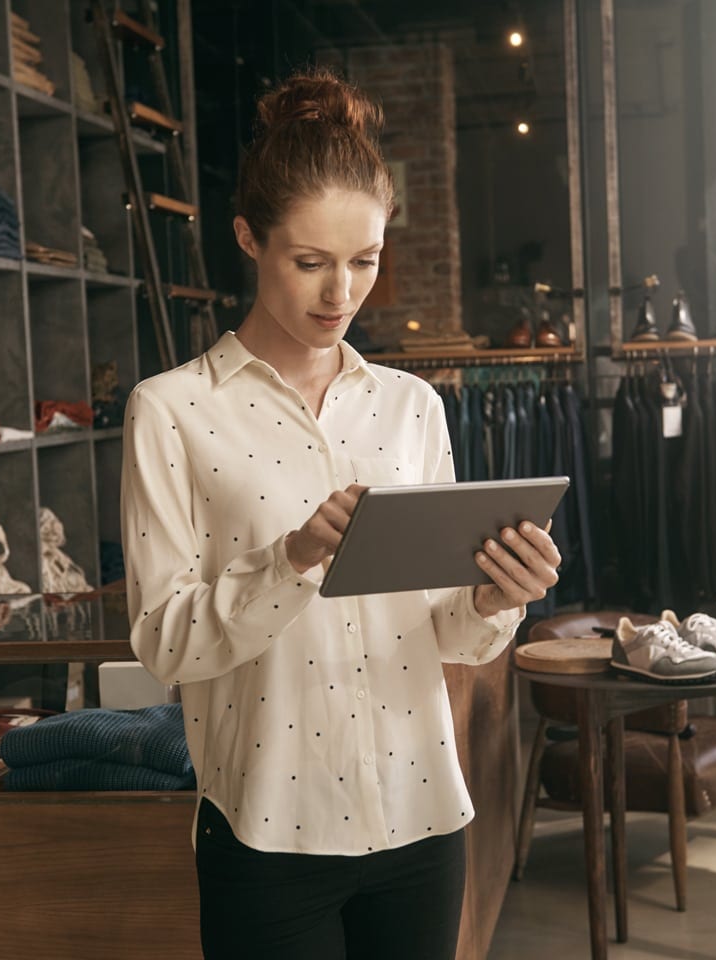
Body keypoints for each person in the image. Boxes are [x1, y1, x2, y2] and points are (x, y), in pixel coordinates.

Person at [120, 67, 563, 957]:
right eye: (311, 262)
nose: (342, 294)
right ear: (249, 237)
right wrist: (288, 562)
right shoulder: (171, 410)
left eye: (364, 261)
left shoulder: (412, 406)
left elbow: (443, 630)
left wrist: (492, 600)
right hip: (267, 829)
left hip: (421, 813)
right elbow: (165, 642)